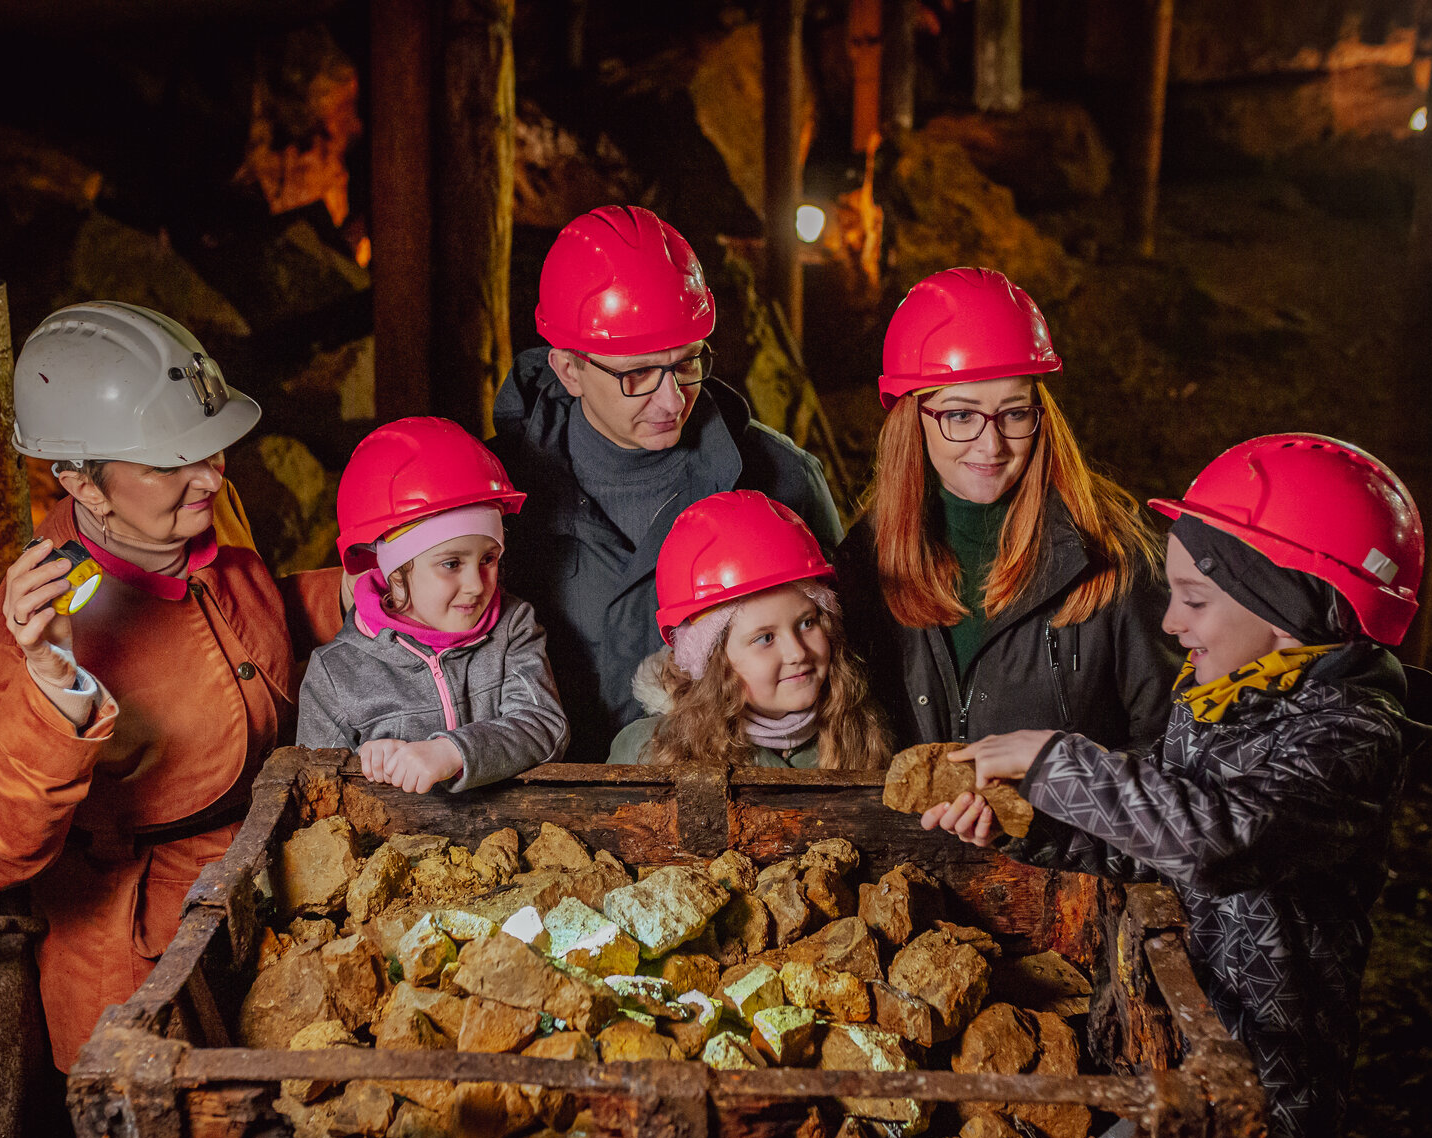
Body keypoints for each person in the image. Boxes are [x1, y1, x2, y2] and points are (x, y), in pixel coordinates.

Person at [924, 434, 1432, 1138]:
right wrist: (1027, 824)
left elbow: (1218, 839)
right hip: (1170, 1057)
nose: (1170, 623)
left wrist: (1058, 758)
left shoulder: (1350, 735)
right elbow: (1152, 844)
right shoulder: (1223, 696)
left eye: (1194, 600)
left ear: (1283, 605)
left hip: (1262, 1094)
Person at [0, 302, 344, 1071]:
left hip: (260, 881)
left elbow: (242, 626)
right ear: (80, 483)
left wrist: (349, 598)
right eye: (169, 462)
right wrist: (52, 686)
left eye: (212, 447)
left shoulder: (192, 508)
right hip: (141, 960)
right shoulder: (32, 629)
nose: (211, 475)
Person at [492, 205, 843, 760]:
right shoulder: (494, 499)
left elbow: (844, 674)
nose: (671, 400)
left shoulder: (780, 481)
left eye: (685, 364)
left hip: (728, 823)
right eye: (637, 374)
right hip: (533, 824)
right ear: (568, 370)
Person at [835, 267, 1177, 753]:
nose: (991, 444)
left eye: (1015, 412)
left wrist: (1054, 802)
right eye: (960, 415)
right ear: (913, 419)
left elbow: (1172, 755)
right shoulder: (863, 564)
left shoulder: (1113, 557)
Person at [296, 417, 569, 790]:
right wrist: (362, 768)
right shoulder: (335, 674)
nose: (476, 585)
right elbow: (318, 795)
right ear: (394, 570)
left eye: (489, 559)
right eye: (451, 564)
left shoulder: (513, 627)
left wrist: (451, 752)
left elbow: (542, 726)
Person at [608, 490, 890, 769]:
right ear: (712, 660)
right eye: (765, 638)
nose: (796, 653)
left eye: (807, 623)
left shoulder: (860, 733)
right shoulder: (648, 753)